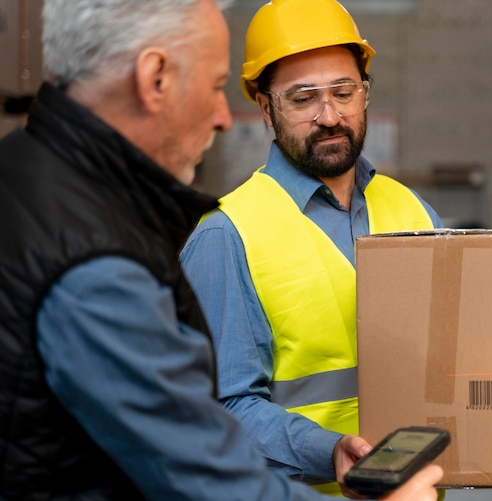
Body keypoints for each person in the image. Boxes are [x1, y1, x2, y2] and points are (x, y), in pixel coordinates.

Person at [0, 0, 445, 499]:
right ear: (155, 78)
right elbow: (199, 465)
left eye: (344, 92)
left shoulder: (31, 183)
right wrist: (326, 450)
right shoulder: (105, 251)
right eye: (214, 86)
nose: (221, 118)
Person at [180, 0, 492, 497]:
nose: (329, 116)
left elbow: (457, 346)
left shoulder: (410, 209)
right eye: (302, 99)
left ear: (365, 94)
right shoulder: (226, 235)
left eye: (344, 92)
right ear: (265, 109)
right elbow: (220, 409)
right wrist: (330, 449)